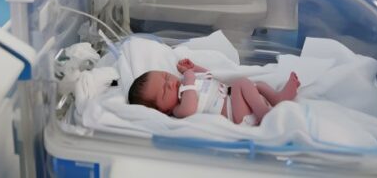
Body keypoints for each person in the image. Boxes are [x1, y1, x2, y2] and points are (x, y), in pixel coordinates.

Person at [128, 58, 300, 126]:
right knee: (241, 83)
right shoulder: (178, 109)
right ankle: (266, 115)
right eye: (165, 90)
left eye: (166, 77)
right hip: (237, 116)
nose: (170, 83)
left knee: (258, 85)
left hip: (238, 100)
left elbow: (210, 78)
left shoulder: (185, 80)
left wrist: (195, 68)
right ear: (163, 110)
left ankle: (277, 99)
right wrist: (189, 81)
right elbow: (190, 108)